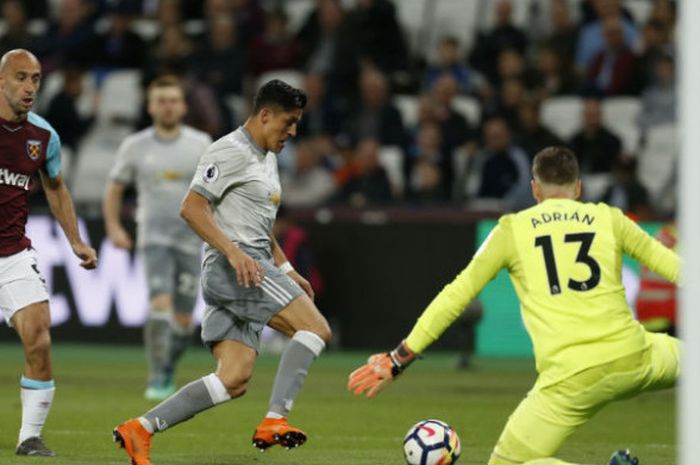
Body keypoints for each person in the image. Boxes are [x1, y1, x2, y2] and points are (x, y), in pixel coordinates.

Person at [348, 146, 679, 465]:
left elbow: (456, 295)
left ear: (535, 189)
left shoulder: (511, 230)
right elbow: (677, 268)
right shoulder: (609, 219)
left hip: (570, 379)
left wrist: (400, 358)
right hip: (637, 355)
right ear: (578, 187)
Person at [113, 79, 332, 465]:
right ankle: (275, 420)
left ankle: (140, 429)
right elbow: (192, 207)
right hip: (235, 267)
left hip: (248, 264)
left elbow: (260, 227)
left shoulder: (267, 158)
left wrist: (286, 267)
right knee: (314, 328)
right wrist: (233, 254)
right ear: (265, 115)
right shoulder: (229, 151)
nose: (294, 131)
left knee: (234, 378)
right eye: (289, 121)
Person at [0, 49, 97, 456]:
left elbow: (55, 187)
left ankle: (30, 438)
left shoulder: (43, 136)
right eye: (21, 78)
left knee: (38, 337)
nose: (29, 87)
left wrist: (75, 239)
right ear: (1, 81)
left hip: (12, 254)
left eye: (36, 79)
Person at [103, 75, 212, 401]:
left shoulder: (201, 143)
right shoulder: (135, 146)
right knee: (159, 304)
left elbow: (216, 190)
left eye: (173, 100)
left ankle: (168, 367)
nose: (167, 106)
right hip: (154, 238)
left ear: (182, 106)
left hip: (192, 240)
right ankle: (157, 375)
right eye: (161, 100)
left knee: (182, 319)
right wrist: (113, 227)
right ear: (151, 107)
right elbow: (114, 187)